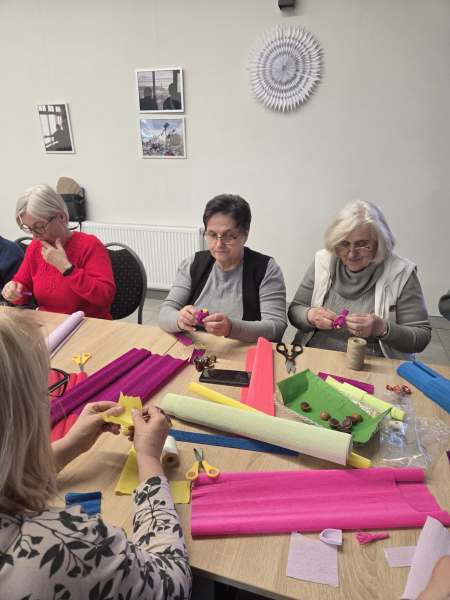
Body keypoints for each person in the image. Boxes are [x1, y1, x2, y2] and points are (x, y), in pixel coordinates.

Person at [0, 309, 191, 598]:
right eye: (44, 392)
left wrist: (71, 444)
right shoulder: (61, 547)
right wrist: (149, 458)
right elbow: (171, 583)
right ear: (21, 419)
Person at [288, 200, 431, 359]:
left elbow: (421, 337)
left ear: (380, 243)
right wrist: (310, 316)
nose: (351, 254)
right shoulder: (323, 261)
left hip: (372, 363)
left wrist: (382, 328)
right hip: (316, 354)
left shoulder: (401, 273)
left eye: (362, 244)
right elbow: (295, 310)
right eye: (343, 243)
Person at [159, 194, 287, 343]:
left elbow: (275, 328)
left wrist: (231, 328)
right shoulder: (193, 264)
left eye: (229, 236)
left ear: (245, 235)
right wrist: (179, 319)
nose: (219, 244)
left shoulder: (265, 269)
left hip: (242, 350)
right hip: (198, 347)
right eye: (212, 235)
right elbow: (165, 313)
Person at [2, 184, 116, 319]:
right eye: (30, 229)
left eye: (39, 227)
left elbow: (105, 297)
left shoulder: (90, 245)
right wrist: (14, 292)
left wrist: (67, 268)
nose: (35, 236)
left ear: (61, 217)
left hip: (88, 324)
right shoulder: (35, 247)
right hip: (49, 323)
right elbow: (24, 290)